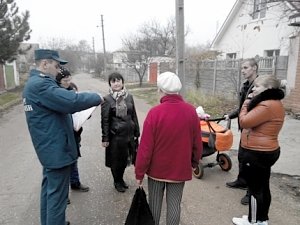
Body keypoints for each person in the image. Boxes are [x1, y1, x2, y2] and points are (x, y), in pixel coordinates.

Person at [23, 49, 104, 225]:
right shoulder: (41, 85)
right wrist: (96, 97)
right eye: (56, 65)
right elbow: (71, 101)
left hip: (50, 150)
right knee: (57, 199)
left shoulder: (35, 83)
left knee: (49, 193)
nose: (59, 70)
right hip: (56, 151)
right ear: (44, 64)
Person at [135, 72, 203, 225]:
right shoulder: (191, 111)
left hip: (156, 171)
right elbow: (197, 143)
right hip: (179, 169)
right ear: (178, 91)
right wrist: (193, 162)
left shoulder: (155, 113)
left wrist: (139, 172)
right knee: (174, 206)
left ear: (160, 90)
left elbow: (145, 148)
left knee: (154, 205)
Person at [232, 75, 285, 225]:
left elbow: (244, 121)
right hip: (266, 150)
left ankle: (253, 221)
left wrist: (246, 103)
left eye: (257, 86)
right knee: (263, 186)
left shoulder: (266, 105)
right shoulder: (272, 103)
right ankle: (262, 219)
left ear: (268, 88)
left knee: (255, 189)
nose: (253, 89)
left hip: (257, 152)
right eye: (253, 86)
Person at [225, 58, 259, 205]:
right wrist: (231, 115)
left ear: (254, 68)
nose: (243, 71)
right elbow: (242, 107)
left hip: (254, 129)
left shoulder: (259, 87)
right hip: (245, 128)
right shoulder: (246, 86)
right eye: (242, 68)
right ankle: (242, 181)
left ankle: (250, 192)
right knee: (242, 157)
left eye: (246, 68)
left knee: (251, 162)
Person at [101, 72, 140, 193]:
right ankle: (116, 181)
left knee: (125, 159)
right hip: (115, 136)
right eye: (113, 81)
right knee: (116, 160)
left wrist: (136, 132)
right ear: (110, 84)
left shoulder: (129, 97)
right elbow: (105, 120)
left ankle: (121, 179)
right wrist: (105, 138)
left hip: (128, 134)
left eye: (118, 80)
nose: (116, 83)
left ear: (123, 82)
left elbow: (133, 115)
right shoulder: (107, 99)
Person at [56, 66, 90, 193]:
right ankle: (63, 193)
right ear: (59, 81)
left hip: (74, 133)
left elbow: (80, 108)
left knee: (73, 159)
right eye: (65, 80)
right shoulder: (55, 94)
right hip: (61, 134)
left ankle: (75, 183)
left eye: (69, 79)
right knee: (63, 164)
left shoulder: (73, 92)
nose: (68, 82)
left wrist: (86, 114)